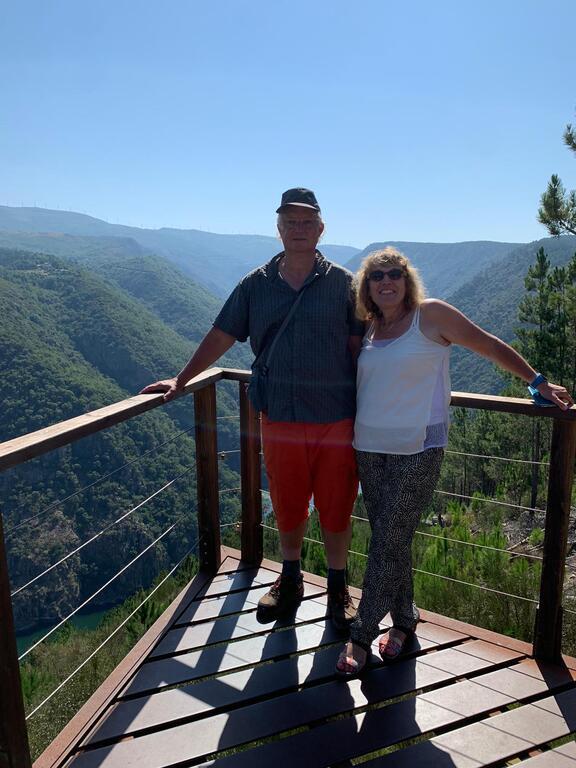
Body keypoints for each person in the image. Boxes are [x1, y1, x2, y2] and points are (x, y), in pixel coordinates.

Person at [336, 246, 574, 676]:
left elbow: (488, 344)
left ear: (407, 280)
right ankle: (405, 621)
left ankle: (361, 634)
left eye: (394, 273)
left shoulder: (431, 315)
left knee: (388, 540)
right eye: (376, 276)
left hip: (419, 447)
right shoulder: (371, 327)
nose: (386, 281)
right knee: (394, 540)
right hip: (369, 448)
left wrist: (537, 381)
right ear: (367, 287)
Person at [141, 188, 364, 628]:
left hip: (337, 416)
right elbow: (223, 334)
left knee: (337, 506)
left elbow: (361, 349)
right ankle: (291, 579)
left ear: (320, 229)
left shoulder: (345, 283)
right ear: (279, 228)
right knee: (287, 502)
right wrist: (181, 379)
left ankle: (339, 589)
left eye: (307, 222)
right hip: (278, 414)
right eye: (290, 222)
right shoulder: (255, 285)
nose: (298, 230)